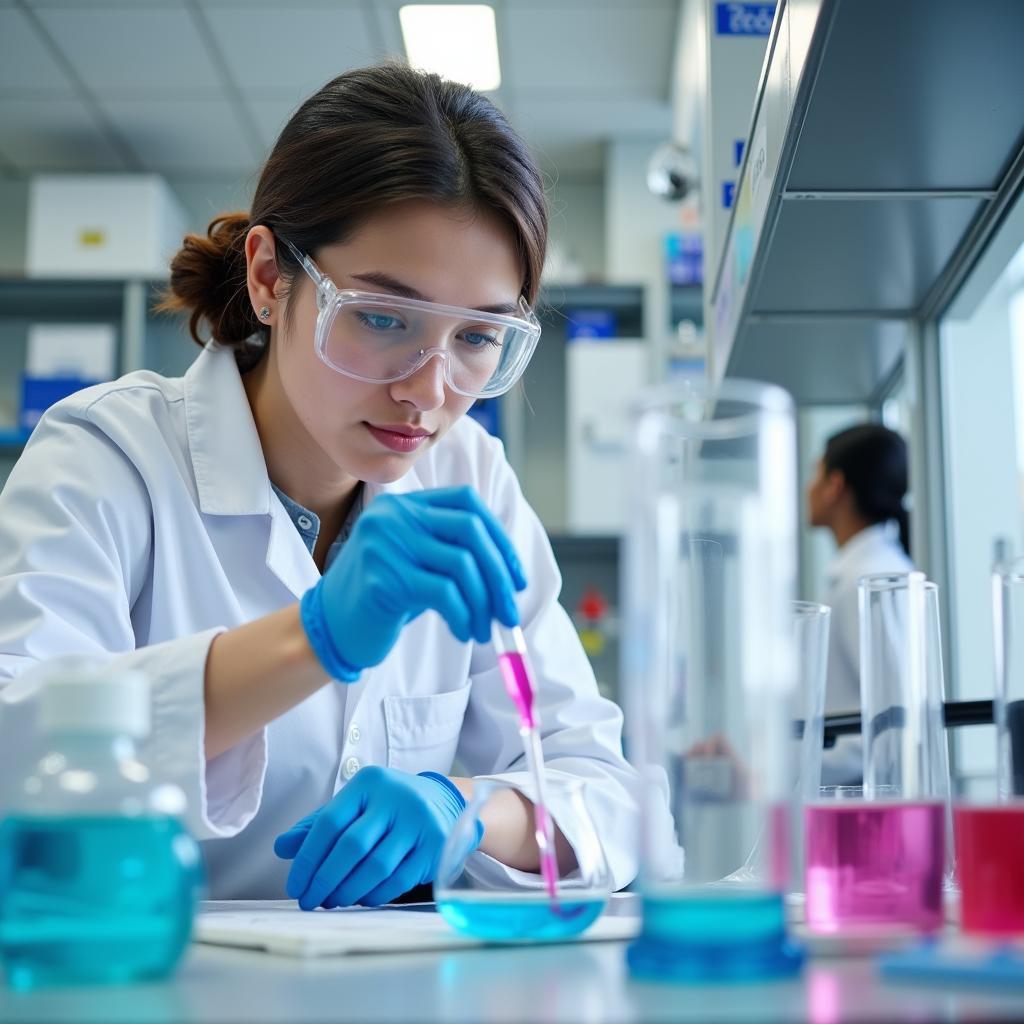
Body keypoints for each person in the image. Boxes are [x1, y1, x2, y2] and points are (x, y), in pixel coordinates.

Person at [0, 64, 641, 909]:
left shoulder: (470, 477)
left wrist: (470, 812)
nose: (428, 389)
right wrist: (317, 638)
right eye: (383, 318)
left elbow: (606, 791)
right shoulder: (110, 454)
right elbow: (18, 753)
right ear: (270, 278)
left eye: (479, 338)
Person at [806, 423, 914, 785]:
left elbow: (895, 721)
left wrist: (790, 769)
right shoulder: (861, 573)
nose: (808, 488)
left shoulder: (870, 580)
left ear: (835, 486)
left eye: (814, 475)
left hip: (863, 804)